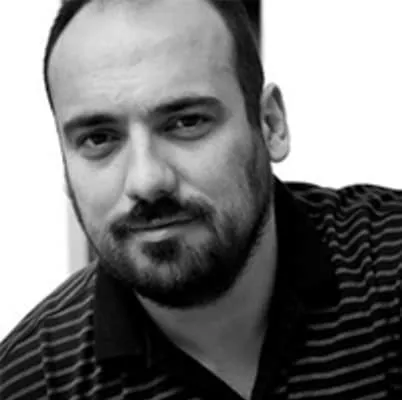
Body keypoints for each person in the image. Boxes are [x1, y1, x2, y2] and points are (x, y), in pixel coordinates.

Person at [1, 0, 402, 398]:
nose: (147, 181)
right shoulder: (30, 383)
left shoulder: (389, 265)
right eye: (98, 139)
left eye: (187, 122)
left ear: (270, 125)